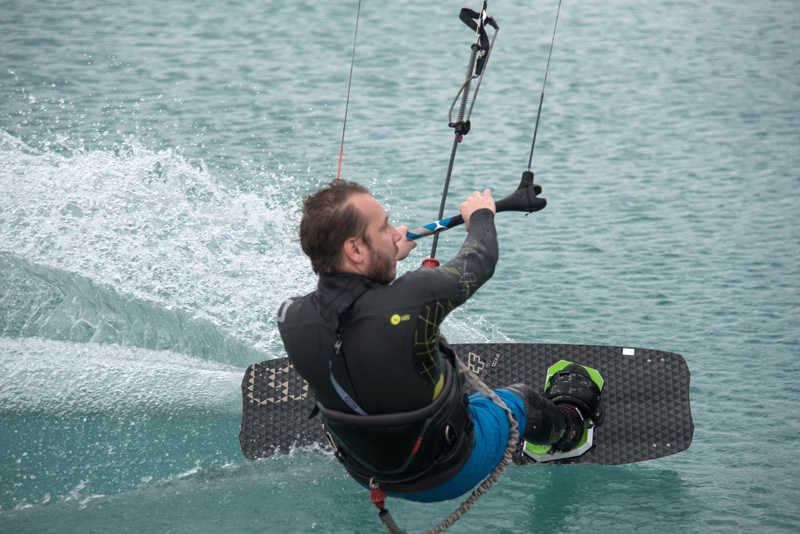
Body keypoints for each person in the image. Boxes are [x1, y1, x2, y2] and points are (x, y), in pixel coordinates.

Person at [277, 180, 602, 502]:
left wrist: (385, 255)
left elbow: (356, 314)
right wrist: (482, 217)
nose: (397, 230)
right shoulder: (415, 297)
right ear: (356, 250)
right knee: (521, 399)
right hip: (446, 472)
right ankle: (570, 429)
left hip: (367, 475)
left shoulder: (290, 316)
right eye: (384, 227)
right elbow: (480, 259)